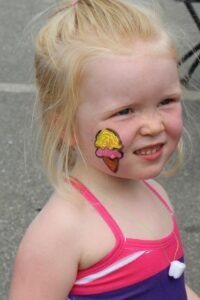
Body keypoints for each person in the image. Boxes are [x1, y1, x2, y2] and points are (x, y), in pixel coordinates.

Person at [9, 0, 200, 299]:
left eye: (166, 101)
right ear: (67, 127)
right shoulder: (61, 231)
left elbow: (170, 286)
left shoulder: (155, 193)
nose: (153, 126)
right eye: (125, 111)